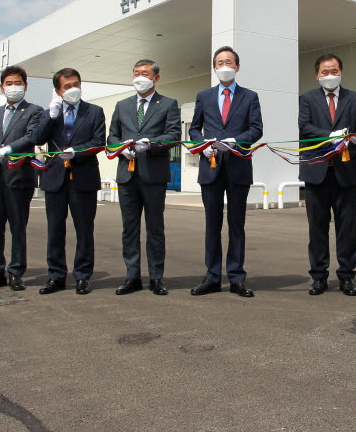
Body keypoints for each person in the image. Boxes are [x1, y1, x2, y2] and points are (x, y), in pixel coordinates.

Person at [189, 46, 263, 298]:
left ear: (238, 67)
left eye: (229, 62)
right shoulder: (204, 96)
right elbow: (194, 129)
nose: (224, 66)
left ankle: (236, 277)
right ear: (214, 67)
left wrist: (236, 141)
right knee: (212, 224)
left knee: (236, 224)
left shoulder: (250, 96)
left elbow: (256, 129)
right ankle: (211, 276)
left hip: (238, 166)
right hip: (210, 167)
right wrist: (202, 146)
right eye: (220, 63)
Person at [298, 53, 356, 296]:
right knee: (317, 228)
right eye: (325, 72)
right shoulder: (307, 98)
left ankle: (347, 276)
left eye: (335, 71)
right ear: (317, 75)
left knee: (347, 228)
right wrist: (328, 135)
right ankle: (318, 276)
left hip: (346, 173)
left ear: (341, 72)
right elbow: (304, 126)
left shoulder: (355, 98)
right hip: (317, 172)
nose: (330, 75)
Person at [107, 59, 181, 296]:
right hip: (127, 175)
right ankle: (132, 276)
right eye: (136, 73)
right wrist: (121, 148)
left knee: (155, 228)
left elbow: (173, 135)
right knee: (129, 229)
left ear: (156, 78)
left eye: (145, 73)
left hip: (154, 175)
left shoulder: (168, 104)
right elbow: (112, 136)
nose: (140, 77)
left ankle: (157, 277)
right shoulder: (122, 105)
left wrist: (151, 144)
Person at [32, 68, 106, 295]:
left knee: (84, 230)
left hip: (83, 177)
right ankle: (55, 276)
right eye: (67, 86)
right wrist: (50, 116)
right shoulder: (51, 113)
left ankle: (83, 276)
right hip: (55, 178)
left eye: (76, 84)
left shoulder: (94, 111)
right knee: (55, 230)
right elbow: (37, 138)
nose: (73, 89)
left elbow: (98, 142)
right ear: (58, 90)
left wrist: (77, 152)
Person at [0, 65, 43, 292]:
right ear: (2, 87)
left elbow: (32, 137)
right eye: (9, 83)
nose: (14, 87)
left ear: (25, 86)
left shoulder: (34, 111)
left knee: (17, 228)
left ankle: (15, 272)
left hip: (19, 178)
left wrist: (8, 149)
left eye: (18, 83)